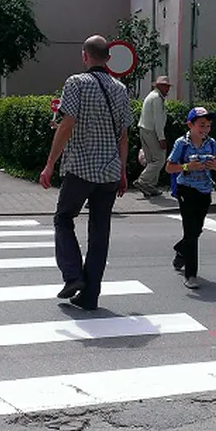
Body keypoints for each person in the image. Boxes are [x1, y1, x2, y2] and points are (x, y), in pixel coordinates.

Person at [39, 35, 133, 311]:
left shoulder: (76, 83)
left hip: (81, 169)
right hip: (110, 173)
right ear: (109, 58)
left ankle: (72, 276)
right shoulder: (120, 88)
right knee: (99, 232)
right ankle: (90, 295)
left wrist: (50, 163)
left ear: (85, 56)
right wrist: (123, 171)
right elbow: (124, 136)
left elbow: (67, 124)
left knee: (63, 218)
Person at [165, 107, 216, 289]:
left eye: (208, 125)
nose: (205, 129)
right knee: (191, 231)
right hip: (186, 190)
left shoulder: (211, 143)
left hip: (205, 190)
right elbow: (169, 167)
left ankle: (181, 250)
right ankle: (191, 275)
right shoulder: (181, 143)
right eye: (201, 125)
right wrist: (187, 167)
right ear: (190, 125)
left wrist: (215, 165)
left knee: (196, 230)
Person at [135, 75, 172, 196]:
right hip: (152, 131)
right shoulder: (157, 98)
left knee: (151, 159)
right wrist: (161, 138)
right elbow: (158, 121)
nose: (167, 89)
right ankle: (144, 181)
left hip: (145, 129)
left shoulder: (153, 96)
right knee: (160, 160)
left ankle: (149, 186)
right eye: (165, 86)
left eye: (168, 87)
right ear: (159, 86)